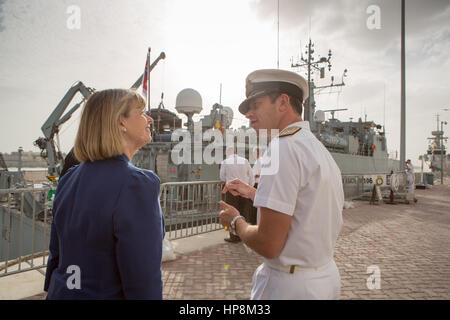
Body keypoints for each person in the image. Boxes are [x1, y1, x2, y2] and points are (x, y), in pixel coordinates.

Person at [219, 69, 344, 300]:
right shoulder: (316, 149)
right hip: (323, 278)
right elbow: (304, 208)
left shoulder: (282, 148)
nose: (249, 114)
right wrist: (255, 193)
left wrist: (236, 222)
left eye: (256, 104)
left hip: (290, 287)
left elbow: (268, 244)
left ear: (283, 102)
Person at [44, 89, 164, 299]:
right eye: (141, 112)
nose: (150, 119)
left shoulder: (69, 177)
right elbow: (143, 278)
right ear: (121, 122)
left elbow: (57, 254)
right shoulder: (136, 184)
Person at [220, 146, 254, 243]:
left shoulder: (225, 162)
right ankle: (244, 235)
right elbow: (251, 176)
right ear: (236, 151)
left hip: (231, 191)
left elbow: (222, 177)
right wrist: (248, 188)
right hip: (244, 190)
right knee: (244, 212)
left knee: (231, 213)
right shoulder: (245, 161)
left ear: (228, 153)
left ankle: (234, 237)